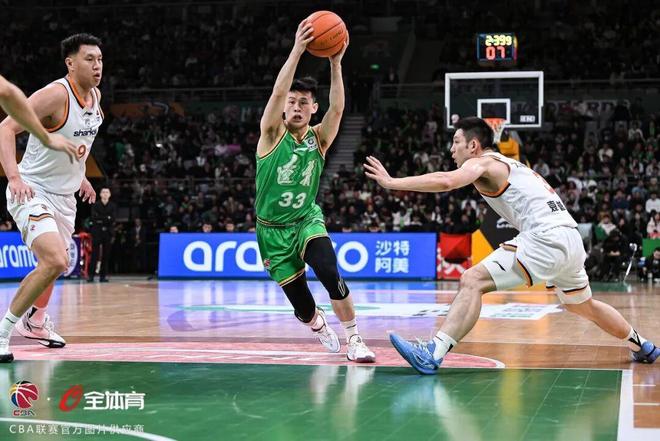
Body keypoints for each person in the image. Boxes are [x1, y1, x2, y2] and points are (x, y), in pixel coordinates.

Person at [364, 116, 658, 374]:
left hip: (545, 237)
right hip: (570, 237)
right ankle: (641, 344)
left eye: (456, 142)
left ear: (474, 145)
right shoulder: (511, 164)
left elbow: (446, 182)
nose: (451, 149)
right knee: (584, 306)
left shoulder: (482, 162)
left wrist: (392, 182)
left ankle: (433, 353)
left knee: (472, 280)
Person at [255, 20, 374, 362]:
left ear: (313, 108)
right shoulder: (271, 135)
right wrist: (297, 49)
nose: (296, 107)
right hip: (272, 232)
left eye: (303, 102)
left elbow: (338, 109)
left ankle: (355, 339)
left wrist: (336, 63)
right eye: (291, 102)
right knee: (304, 308)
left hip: (306, 220)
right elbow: (277, 93)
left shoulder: (319, 138)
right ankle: (317, 323)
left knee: (328, 270)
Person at [0, 34, 104, 362]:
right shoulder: (56, 95)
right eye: (89, 59)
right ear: (70, 63)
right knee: (56, 260)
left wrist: (81, 176)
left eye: (100, 59)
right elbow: (5, 128)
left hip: (65, 196)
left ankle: (37, 321)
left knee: (55, 265)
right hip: (32, 189)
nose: (97, 65)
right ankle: (3, 332)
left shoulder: (96, 96)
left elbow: (77, 142)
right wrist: (14, 177)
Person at [88, 187, 115, 282]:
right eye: (103, 192)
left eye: (107, 192)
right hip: (97, 232)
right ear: (100, 194)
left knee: (106, 255)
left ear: (110, 194)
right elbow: (94, 218)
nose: (105, 194)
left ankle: (103, 277)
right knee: (94, 254)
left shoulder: (112, 206)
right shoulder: (95, 205)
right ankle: (91, 276)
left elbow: (113, 219)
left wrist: (101, 219)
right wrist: (106, 218)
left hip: (108, 233)